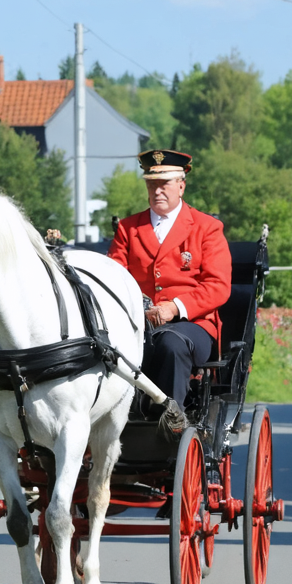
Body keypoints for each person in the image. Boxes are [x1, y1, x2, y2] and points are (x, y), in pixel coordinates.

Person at [107, 150, 232, 412]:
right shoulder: (128, 229)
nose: (157, 191)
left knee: (169, 344)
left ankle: (169, 420)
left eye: (164, 184)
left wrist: (174, 308)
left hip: (193, 324)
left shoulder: (206, 227)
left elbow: (217, 286)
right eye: (151, 184)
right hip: (136, 324)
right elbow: (112, 277)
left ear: (181, 186)